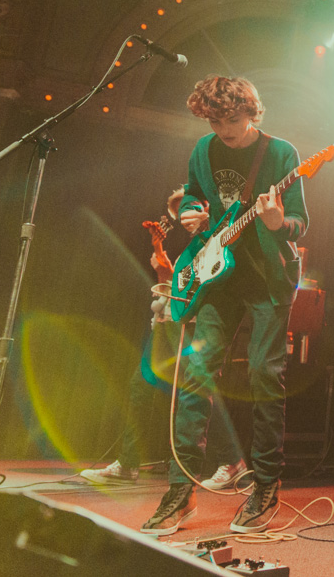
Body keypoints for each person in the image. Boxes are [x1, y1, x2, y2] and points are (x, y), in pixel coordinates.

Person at [141, 75, 308, 536]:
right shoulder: (204, 149)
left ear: (252, 111)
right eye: (215, 120)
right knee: (195, 374)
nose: (224, 130)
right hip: (217, 277)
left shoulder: (281, 154)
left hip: (268, 282)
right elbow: (193, 193)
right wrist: (190, 211)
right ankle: (181, 490)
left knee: (262, 373)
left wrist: (276, 220)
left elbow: (299, 222)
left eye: (231, 120)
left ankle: (266, 487)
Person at [80, 190, 245, 487]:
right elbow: (170, 284)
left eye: (191, 207)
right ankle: (128, 464)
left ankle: (231, 460)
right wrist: (158, 249)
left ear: (205, 206)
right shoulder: (188, 244)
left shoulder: (216, 233)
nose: (185, 214)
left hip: (196, 324)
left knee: (198, 389)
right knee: (141, 387)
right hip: (169, 322)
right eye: (180, 209)